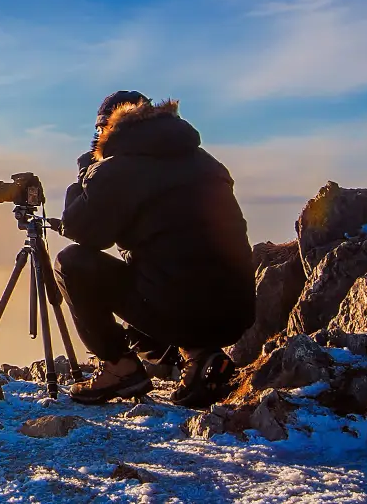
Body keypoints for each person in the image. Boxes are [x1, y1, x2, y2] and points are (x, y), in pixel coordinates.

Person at [54, 90, 256, 408]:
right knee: (168, 274)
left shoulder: (120, 168)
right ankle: (203, 359)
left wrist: (85, 179)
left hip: (181, 310)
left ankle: (120, 369)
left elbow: (83, 233)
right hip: (238, 310)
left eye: (98, 130)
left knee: (71, 264)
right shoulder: (206, 162)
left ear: (108, 128)